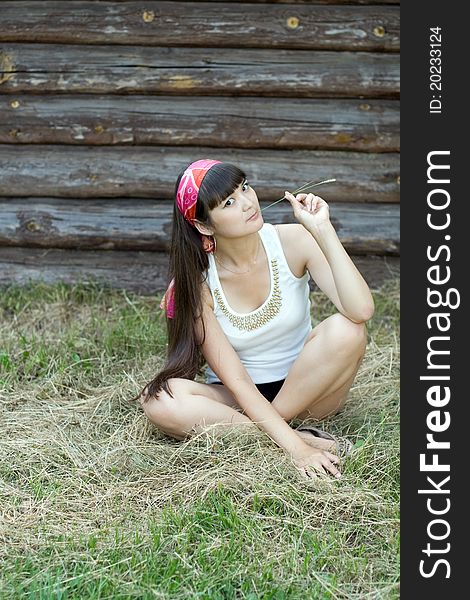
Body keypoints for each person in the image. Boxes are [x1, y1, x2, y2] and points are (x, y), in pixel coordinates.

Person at [138, 159, 374, 479]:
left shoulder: (292, 241)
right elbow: (236, 381)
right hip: (237, 398)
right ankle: (295, 436)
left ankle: (260, 434)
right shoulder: (198, 282)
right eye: (230, 202)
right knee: (159, 399)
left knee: (348, 329)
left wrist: (321, 230)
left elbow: (361, 311)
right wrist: (298, 449)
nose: (248, 202)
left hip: (310, 391)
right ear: (205, 225)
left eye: (245, 187)